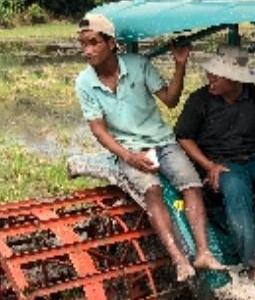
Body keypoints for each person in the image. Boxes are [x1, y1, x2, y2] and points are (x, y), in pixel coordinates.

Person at [75, 14, 225, 281]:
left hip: (162, 142)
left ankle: (203, 253)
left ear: (111, 43)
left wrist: (180, 65)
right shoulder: (85, 83)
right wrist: (128, 156)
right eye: (83, 44)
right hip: (128, 148)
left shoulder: (139, 64)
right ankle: (180, 261)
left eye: (93, 43)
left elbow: (170, 100)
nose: (87, 51)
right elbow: (98, 129)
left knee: (191, 186)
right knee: (152, 192)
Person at [175, 46, 255, 286]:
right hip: (220, 164)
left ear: (235, 79)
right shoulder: (200, 100)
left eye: (217, 75)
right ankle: (252, 264)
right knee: (236, 190)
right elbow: (183, 137)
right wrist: (209, 166)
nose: (209, 78)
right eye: (210, 73)